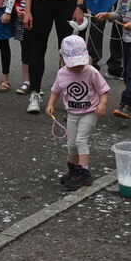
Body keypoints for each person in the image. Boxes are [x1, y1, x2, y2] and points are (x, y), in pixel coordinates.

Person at [45, 35, 110, 189]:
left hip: (89, 112)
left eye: (80, 63)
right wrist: (50, 104)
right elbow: (56, 90)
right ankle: (74, 170)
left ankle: (84, 172)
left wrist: (102, 104)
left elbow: (103, 90)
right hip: (72, 113)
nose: (77, 67)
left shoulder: (91, 72)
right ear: (63, 59)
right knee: (71, 144)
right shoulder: (62, 73)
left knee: (81, 141)